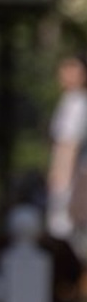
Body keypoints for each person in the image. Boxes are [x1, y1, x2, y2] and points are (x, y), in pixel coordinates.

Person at [46, 52, 87, 244]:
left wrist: (60, 186)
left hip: (72, 184)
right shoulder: (70, 101)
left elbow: (68, 146)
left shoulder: (76, 103)